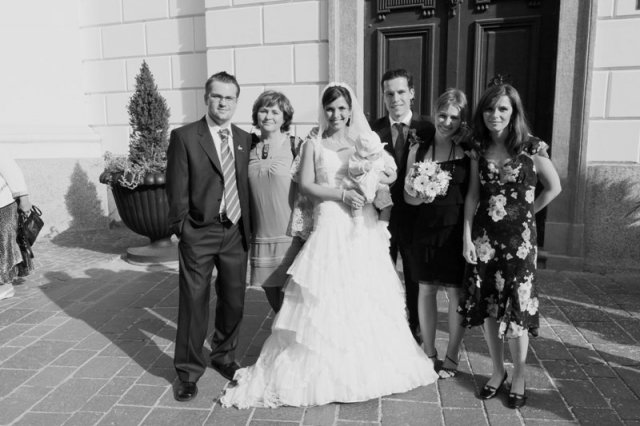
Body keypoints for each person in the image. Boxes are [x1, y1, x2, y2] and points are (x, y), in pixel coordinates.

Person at [220, 83, 439, 408]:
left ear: (350, 111)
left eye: (342, 108)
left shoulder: (364, 141)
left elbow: (387, 176)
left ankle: (364, 365)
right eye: (330, 108)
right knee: (325, 294)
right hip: (329, 222)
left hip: (361, 226)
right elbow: (307, 186)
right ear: (324, 111)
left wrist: (377, 181)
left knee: (363, 294)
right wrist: (342, 194)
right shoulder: (313, 144)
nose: (336, 114)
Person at [458, 83, 561, 408]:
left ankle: (519, 374)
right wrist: (467, 237)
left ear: (514, 112)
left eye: (503, 108)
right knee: (489, 306)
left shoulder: (531, 147)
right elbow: (473, 195)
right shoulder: (478, 147)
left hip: (521, 245)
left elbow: (554, 187)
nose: (495, 115)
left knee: (517, 308)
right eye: (489, 109)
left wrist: (527, 214)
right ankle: (497, 370)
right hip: (485, 241)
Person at [166, 71, 252, 402]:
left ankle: (223, 355)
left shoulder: (244, 139)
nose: (223, 102)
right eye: (217, 96)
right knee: (193, 302)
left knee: (234, 299)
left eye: (229, 97)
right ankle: (188, 373)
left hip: (235, 232)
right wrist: (182, 228)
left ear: (236, 101)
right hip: (199, 232)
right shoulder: (186, 137)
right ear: (206, 98)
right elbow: (176, 188)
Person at [403, 89, 471, 378]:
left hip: (455, 231)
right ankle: (429, 352)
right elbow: (407, 197)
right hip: (425, 229)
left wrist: (468, 237)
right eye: (442, 115)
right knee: (426, 289)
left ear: (461, 119)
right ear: (434, 113)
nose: (447, 122)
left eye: (454, 117)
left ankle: (453, 354)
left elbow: (473, 196)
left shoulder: (468, 151)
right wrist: (420, 196)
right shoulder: (418, 149)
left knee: (456, 293)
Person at [371, 69, 436, 342]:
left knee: (414, 276)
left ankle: (415, 329)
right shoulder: (373, 130)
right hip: (381, 216)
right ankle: (383, 328)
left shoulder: (429, 129)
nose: (395, 98)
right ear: (383, 96)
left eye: (400, 92)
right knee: (381, 275)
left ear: (411, 93)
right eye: (389, 93)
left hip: (416, 217)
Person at [247, 90, 304, 313]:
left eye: (275, 111)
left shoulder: (296, 145)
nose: (268, 116)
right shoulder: (248, 147)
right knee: (274, 300)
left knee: (293, 302)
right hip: (260, 236)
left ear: (284, 117)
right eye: (263, 111)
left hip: (290, 236)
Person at [343, 131, 396, 229]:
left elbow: (390, 168)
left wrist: (390, 173)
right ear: (363, 155)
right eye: (373, 154)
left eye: (379, 151)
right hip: (362, 186)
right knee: (356, 203)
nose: (378, 154)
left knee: (386, 205)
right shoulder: (357, 158)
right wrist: (363, 167)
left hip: (379, 186)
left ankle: (383, 226)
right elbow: (352, 167)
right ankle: (358, 223)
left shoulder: (381, 157)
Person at [0, 155, 32, 301]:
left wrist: (23, 198)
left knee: (4, 245)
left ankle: (5, 285)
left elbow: (12, 171)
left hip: (3, 204)